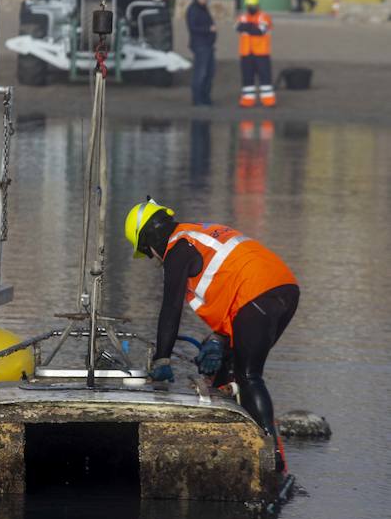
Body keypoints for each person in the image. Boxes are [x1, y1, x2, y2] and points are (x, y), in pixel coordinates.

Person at [124, 197, 299, 471]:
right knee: (230, 371)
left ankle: (271, 457)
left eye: (147, 252)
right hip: (284, 289)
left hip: (257, 294)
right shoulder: (199, 232)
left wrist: (162, 360)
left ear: (150, 241)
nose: (152, 259)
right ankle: (239, 444)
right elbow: (230, 282)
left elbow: (170, 309)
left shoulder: (178, 248)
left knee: (249, 376)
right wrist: (219, 341)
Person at [235, 0, 276, 108]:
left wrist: (247, 26)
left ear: (257, 5)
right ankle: (248, 100)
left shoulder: (264, 17)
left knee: (265, 77)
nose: (250, 8)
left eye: (252, 5)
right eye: (249, 5)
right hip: (246, 52)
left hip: (261, 53)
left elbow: (260, 31)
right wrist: (252, 26)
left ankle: (268, 100)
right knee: (247, 77)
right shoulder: (243, 16)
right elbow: (237, 27)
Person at [186, 0, 216, 106]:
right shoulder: (193, 9)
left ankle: (205, 98)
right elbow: (193, 27)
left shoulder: (204, 8)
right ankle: (198, 100)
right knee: (201, 73)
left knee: (209, 73)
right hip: (200, 45)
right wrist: (209, 29)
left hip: (208, 45)